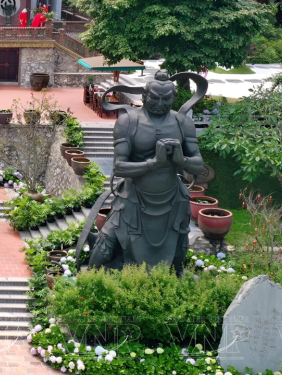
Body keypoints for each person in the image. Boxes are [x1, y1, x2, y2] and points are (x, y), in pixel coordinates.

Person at [86, 70, 206, 275]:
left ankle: (175, 278)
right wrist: (154, 164)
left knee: (179, 247)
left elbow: (197, 166)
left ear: (174, 98)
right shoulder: (128, 121)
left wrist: (181, 160)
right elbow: (119, 167)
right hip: (134, 197)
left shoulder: (182, 123)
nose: (160, 104)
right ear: (144, 96)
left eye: (166, 99)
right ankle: (89, 278)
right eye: (155, 98)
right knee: (107, 243)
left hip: (172, 199)